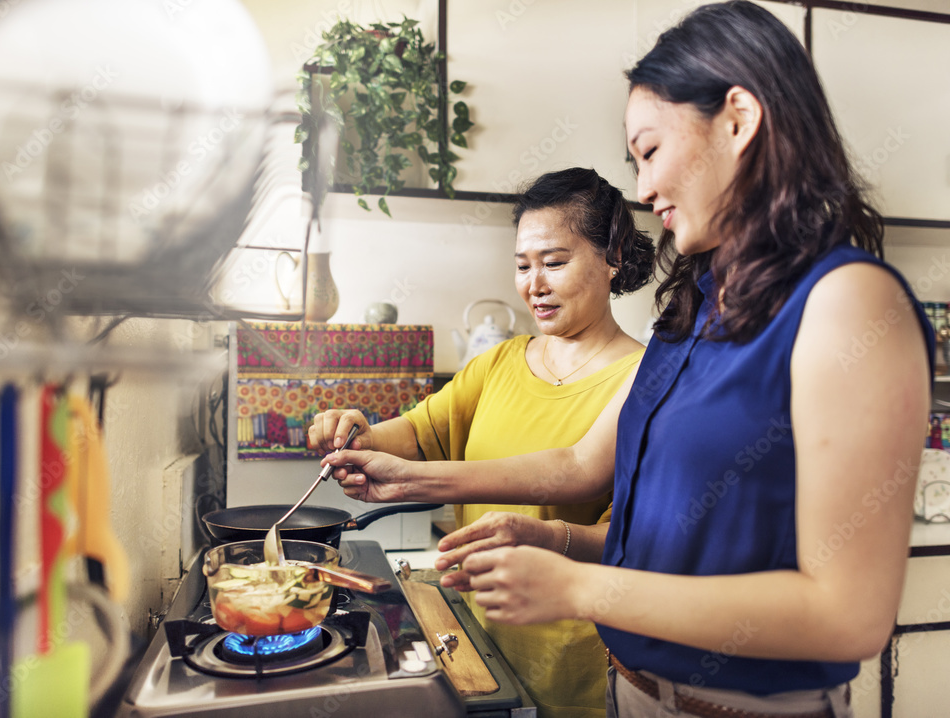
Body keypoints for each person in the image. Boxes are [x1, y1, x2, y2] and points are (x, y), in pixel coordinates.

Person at [322, 3, 935, 717]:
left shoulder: (850, 303)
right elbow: (582, 465)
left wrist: (578, 589)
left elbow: (846, 616)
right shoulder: (699, 306)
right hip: (633, 692)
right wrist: (504, 516)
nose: (643, 190)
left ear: (738, 119)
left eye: (650, 150)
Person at [309, 167, 654, 718]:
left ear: (612, 256)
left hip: (573, 660)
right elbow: (421, 433)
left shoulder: (645, 377)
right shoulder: (499, 362)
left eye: (554, 262)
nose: (533, 284)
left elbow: (617, 529)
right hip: (472, 636)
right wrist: (360, 431)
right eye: (522, 265)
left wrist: (411, 480)